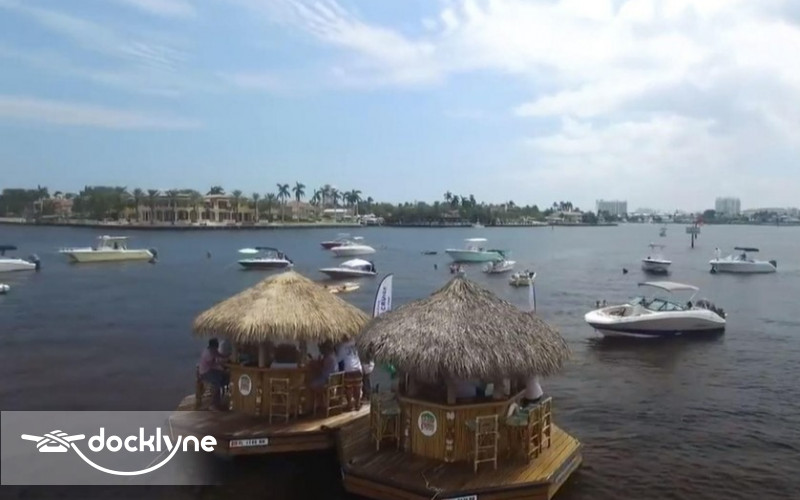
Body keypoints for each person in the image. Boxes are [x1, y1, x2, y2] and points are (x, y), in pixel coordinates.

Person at [198, 338, 230, 410]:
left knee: (225, 377)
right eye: (217, 344)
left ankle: (222, 397)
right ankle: (214, 404)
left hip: (211, 370)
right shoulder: (208, 353)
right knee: (217, 384)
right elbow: (213, 365)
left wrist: (228, 356)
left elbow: (220, 355)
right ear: (213, 345)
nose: (218, 346)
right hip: (205, 372)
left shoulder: (213, 350)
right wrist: (222, 368)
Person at [336, 337, 364, 410]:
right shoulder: (354, 344)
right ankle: (357, 404)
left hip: (348, 369)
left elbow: (338, 359)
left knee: (348, 388)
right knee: (358, 387)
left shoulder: (342, 347)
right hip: (358, 368)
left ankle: (350, 405)